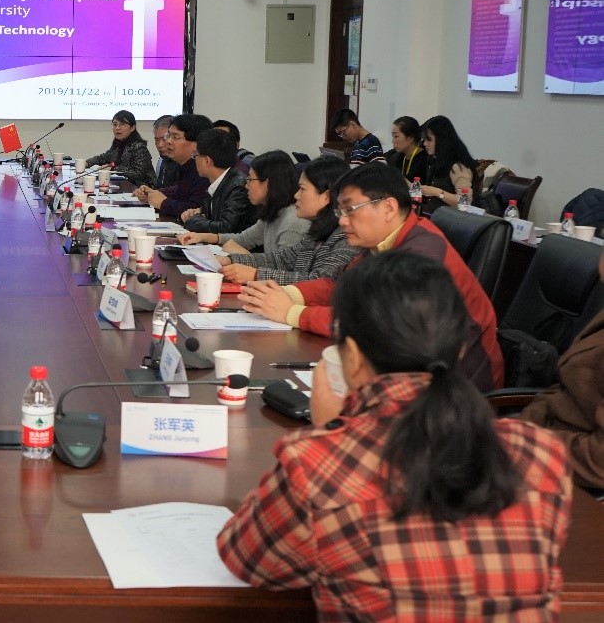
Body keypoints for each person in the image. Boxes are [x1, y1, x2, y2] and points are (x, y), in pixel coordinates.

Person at [218, 251, 571, 621]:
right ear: (461, 349)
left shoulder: (319, 464)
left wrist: (327, 430)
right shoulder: (541, 451)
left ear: (352, 358)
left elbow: (247, 560)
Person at [237, 163, 504, 391]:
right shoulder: (381, 243)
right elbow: (339, 285)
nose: (342, 221)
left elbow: (379, 325)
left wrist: (292, 313)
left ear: (388, 208)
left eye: (350, 209)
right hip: (402, 369)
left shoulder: (422, 254)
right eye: (339, 212)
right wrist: (286, 294)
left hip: (456, 388)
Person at [521, 246, 604, 489]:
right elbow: (564, 387)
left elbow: (598, 462)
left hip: (571, 479)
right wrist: (524, 425)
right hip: (546, 439)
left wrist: (527, 443)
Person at [217, 157, 357, 284]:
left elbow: (320, 282)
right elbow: (281, 259)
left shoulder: (344, 238)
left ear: (325, 196)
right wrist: (230, 260)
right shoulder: (317, 231)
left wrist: (256, 275)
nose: (296, 195)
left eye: (302, 189)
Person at [180, 150, 308, 255]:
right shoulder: (273, 211)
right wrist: (203, 237)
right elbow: (245, 239)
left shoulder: (293, 222)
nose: (246, 185)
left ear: (267, 183)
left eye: (250, 179)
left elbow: (283, 270)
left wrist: (245, 255)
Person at [176, 128, 254, 234]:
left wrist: (193, 220)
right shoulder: (218, 181)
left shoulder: (238, 186)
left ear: (207, 160)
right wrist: (198, 213)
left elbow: (225, 227)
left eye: (195, 156)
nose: (194, 160)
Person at [138, 114, 212, 216]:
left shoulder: (203, 169)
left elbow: (195, 210)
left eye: (175, 137)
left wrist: (163, 203)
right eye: (168, 136)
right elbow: (179, 193)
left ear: (196, 144)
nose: (168, 141)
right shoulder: (185, 165)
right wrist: (153, 194)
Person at [419, 114, 481, 212]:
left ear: (442, 140)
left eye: (429, 139)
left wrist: (438, 192)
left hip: (452, 219)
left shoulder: (458, 167)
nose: (425, 144)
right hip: (436, 215)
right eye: (424, 139)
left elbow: (465, 202)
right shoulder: (436, 160)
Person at [84, 110, 154, 188]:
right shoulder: (118, 144)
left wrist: (113, 168)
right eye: (115, 124)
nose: (117, 128)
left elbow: (138, 173)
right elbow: (103, 158)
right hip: (124, 186)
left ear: (132, 128)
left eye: (122, 124)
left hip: (143, 188)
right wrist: (87, 163)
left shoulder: (139, 146)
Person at [385, 115, 428, 183]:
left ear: (410, 137)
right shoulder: (395, 157)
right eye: (393, 136)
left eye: (396, 136)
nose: (393, 141)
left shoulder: (424, 160)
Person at [150, 114, 178, 189]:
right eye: (157, 140)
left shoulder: (182, 163)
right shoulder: (162, 160)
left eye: (164, 139)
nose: (160, 145)